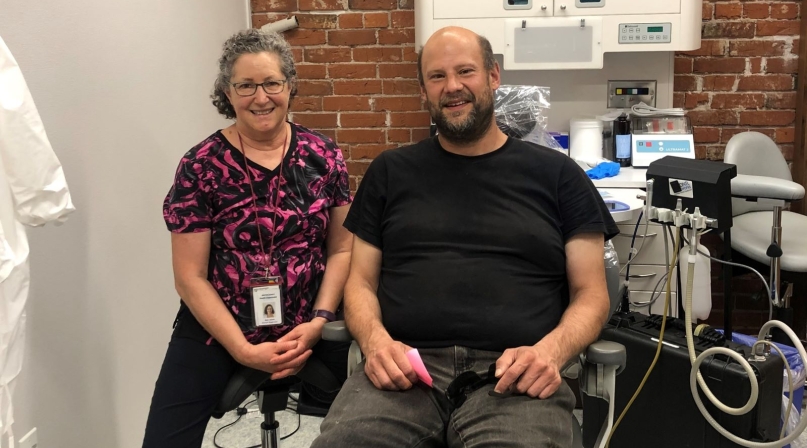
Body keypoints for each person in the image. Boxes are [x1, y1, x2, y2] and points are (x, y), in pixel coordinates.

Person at [311, 26, 619, 448]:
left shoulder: (558, 176)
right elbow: (360, 282)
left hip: (515, 375)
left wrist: (550, 353)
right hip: (406, 369)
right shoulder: (391, 172)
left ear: (493, 76)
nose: (452, 86)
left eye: (465, 71)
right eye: (437, 76)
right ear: (424, 90)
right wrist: (377, 343)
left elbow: (592, 295)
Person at [142, 29, 352, 448]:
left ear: (289, 86)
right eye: (246, 85)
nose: (261, 97)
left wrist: (319, 321)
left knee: (373, 427)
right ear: (227, 91)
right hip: (219, 327)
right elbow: (190, 277)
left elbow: (342, 247)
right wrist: (241, 349)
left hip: (313, 320)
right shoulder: (200, 166)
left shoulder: (323, 155)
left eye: (272, 83)